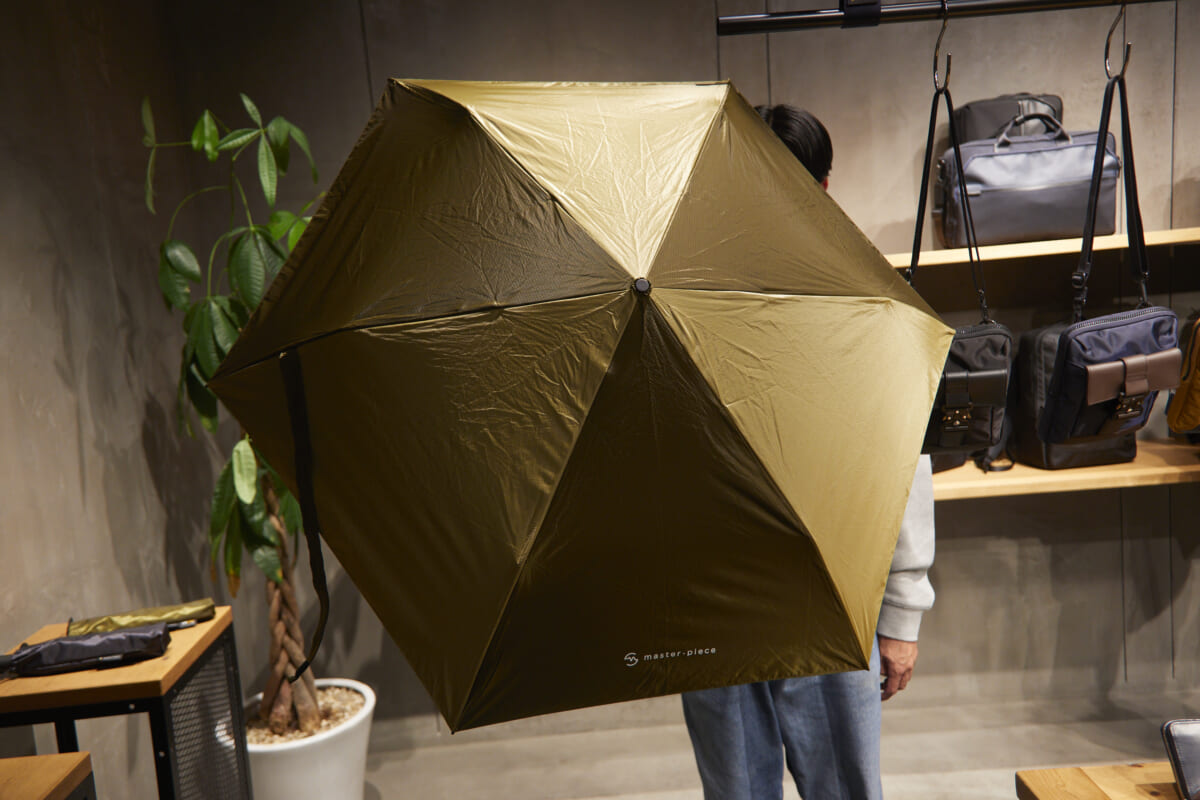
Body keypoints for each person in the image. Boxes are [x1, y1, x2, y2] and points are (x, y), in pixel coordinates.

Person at [679, 104, 937, 800]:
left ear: (821, 189)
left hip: (828, 591)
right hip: (718, 594)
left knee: (844, 788)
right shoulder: (684, 297)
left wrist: (902, 614)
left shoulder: (866, 303)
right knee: (738, 791)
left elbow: (901, 458)